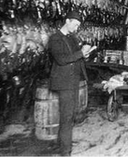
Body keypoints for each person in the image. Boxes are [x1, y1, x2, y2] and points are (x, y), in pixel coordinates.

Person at [48, 11, 92, 157]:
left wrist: (85, 54)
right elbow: (61, 59)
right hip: (64, 82)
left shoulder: (72, 38)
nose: (77, 28)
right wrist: (81, 53)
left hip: (72, 81)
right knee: (67, 116)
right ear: (67, 21)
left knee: (69, 115)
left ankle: (62, 144)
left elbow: (75, 56)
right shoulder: (55, 38)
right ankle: (65, 152)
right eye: (76, 24)